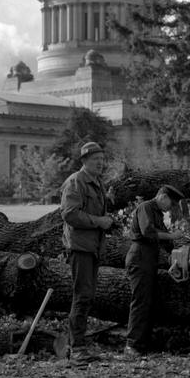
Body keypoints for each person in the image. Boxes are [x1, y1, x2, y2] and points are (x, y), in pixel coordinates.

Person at [59, 141, 113, 361]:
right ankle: (78, 347)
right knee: (82, 296)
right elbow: (69, 214)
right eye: (95, 160)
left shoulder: (96, 183)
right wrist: (99, 221)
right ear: (84, 161)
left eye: (101, 159)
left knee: (87, 296)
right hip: (80, 247)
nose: (100, 163)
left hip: (92, 247)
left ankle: (78, 344)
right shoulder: (75, 182)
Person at [125, 184, 187, 356]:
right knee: (140, 301)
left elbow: (166, 242)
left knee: (148, 302)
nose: (169, 209)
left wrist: (182, 254)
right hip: (139, 258)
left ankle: (143, 343)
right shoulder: (145, 207)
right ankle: (132, 344)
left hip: (149, 259)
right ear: (162, 197)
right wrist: (172, 236)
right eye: (170, 204)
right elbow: (147, 232)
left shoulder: (157, 214)